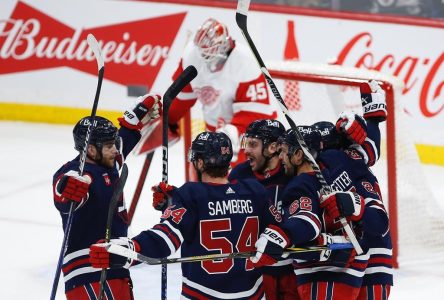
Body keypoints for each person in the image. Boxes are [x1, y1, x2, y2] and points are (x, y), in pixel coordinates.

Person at [89, 131, 283, 299]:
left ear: (199, 163)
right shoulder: (254, 190)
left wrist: (126, 249)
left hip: (201, 294)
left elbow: (164, 239)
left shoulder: (191, 194)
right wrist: (173, 202)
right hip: (252, 294)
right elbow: (280, 229)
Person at [52, 94, 161, 299]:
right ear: (91, 150)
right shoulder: (77, 173)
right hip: (87, 271)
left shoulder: (108, 163)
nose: (115, 149)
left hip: (114, 264)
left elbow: (124, 140)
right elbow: (63, 196)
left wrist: (135, 117)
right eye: (110, 146)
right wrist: (68, 188)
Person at [167, 18, 277, 167]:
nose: (208, 61)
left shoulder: (245, 62)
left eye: (213, 53)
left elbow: (256, 117)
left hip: (248, 140)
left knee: (238, 184)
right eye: (205, 54)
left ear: (226, 44)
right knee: (206, 181)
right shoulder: (192, 55)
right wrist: (166, 120)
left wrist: (227, 136)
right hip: (214, 134)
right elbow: (182, 97)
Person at [228, 119, 300, 300]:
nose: (246, 150)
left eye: (253, 144)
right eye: (246, 143)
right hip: (254, 271)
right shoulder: (239, 175)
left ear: (273, 147)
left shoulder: (292, 172)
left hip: (292, 269)